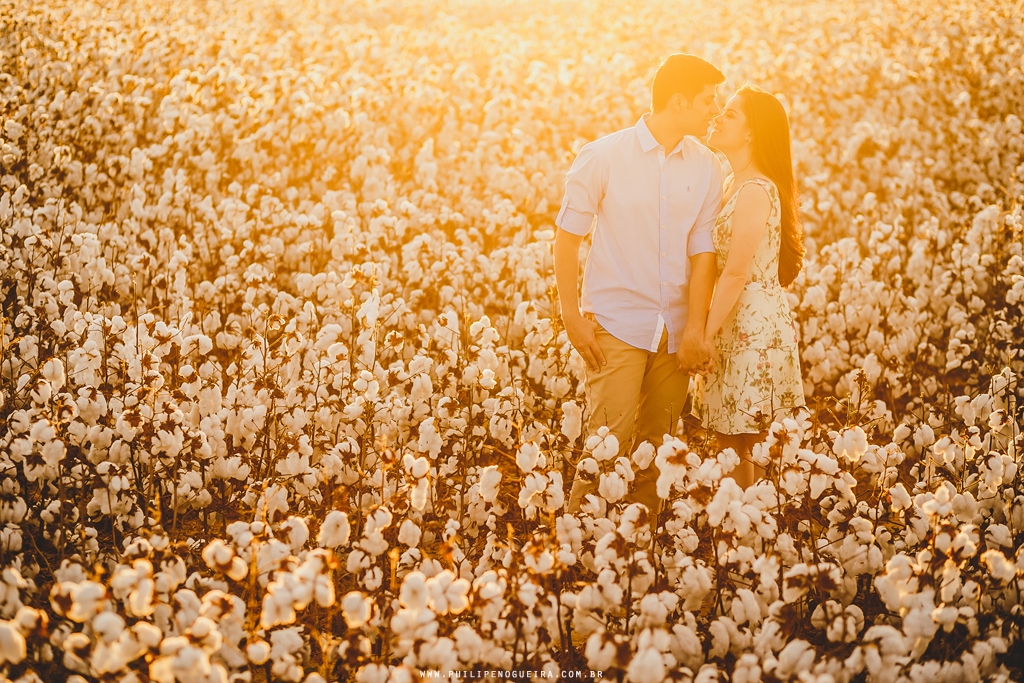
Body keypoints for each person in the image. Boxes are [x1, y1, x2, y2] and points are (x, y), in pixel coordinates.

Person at [554, 53, 726, 517]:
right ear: (678, 102)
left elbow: (702, 251)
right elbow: (567, 239)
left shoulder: (709, 166)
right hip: (616, 326)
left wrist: (694, 329)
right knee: (604, 448)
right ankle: (578, 559)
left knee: (661, 454)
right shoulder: (604, 156)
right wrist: (571, 317)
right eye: (708, 101)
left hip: (674, 336)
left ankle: (640, 556)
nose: (715, 109)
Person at [692, 85, 807, 488]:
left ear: (751, 133)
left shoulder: (756, 190)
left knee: (749, 444)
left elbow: (737, 272)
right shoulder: (731, 183)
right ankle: (739, 533)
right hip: (730, 320)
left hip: (752, 328)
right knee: (728, 438)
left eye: (732, 114)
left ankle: (753, 537)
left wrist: (701, 336)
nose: (719, 117)